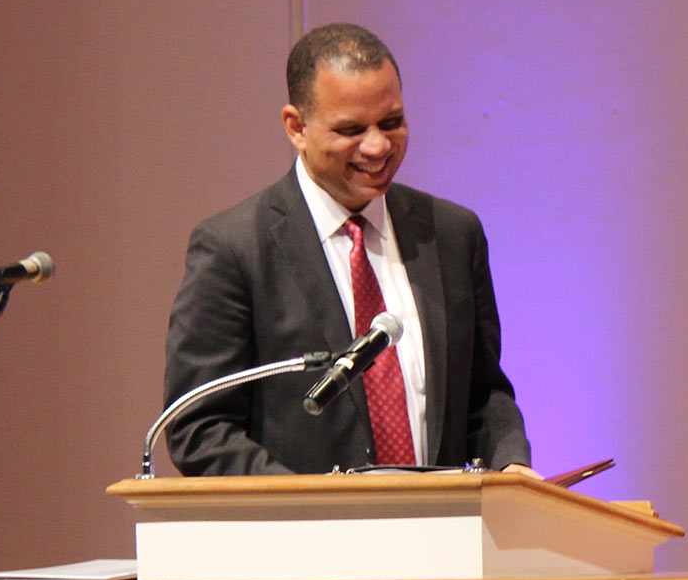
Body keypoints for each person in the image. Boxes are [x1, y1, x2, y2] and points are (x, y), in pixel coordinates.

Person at [163, 23, 533, 477]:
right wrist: (313, 509)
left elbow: (483, 393)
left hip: (441, 535)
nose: (378, 146)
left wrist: (510, 463)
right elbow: (198, 426)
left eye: (392, 122)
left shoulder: (452, 234)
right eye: (351, 129)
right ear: (296, 127)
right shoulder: (235, 248)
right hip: (302, 540)